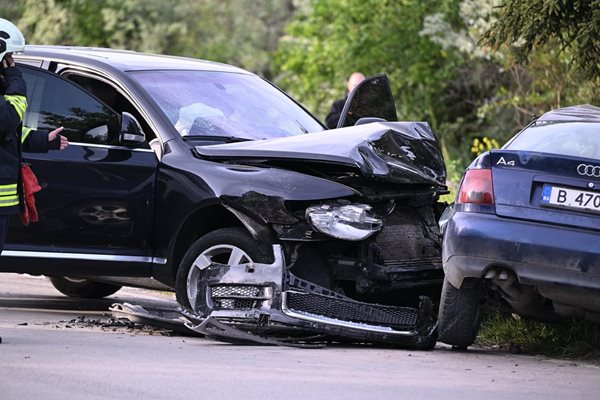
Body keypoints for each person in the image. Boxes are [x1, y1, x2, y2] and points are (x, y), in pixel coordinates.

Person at [0, 18, 68, 255]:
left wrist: (43, 140)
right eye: (8, 58)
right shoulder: (10, 88)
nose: (11, 63)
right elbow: (8, 118)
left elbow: (8, 132)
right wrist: (15, 80)